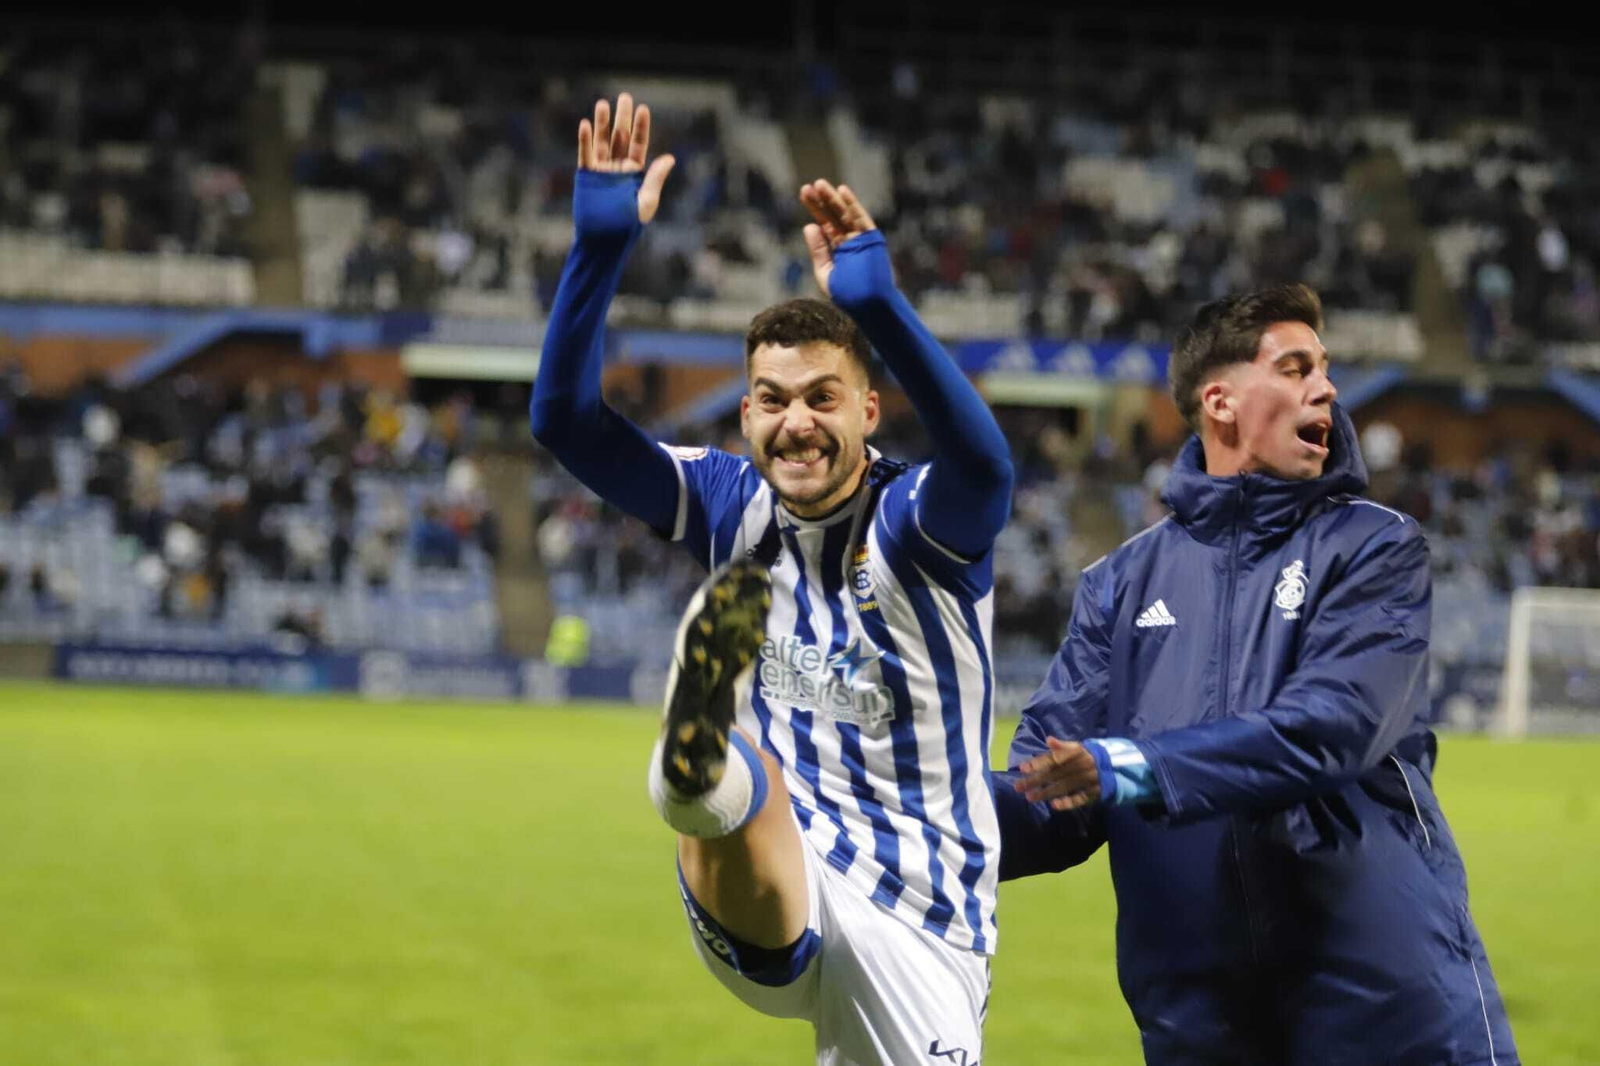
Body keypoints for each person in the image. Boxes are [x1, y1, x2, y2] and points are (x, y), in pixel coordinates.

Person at [529, 94, 1013, 1066]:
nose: (795, 422)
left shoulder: (915, 523)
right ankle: (698, 769)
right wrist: (596, 252)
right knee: (736, 789)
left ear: (870, 410)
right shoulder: (728, 502)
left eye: (821, 398)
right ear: (744, 414)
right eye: (770, 400)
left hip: (921, 919)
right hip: (771, 879)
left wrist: (881, 307)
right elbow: (565, 424)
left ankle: (704, 768)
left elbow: (987, 469)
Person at [1000, 284, 1519, 1064]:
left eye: (1325, 368)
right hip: (1202, 1025)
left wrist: (1135, 767)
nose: (1328, 388)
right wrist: (896, 820)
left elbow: (1330, 727)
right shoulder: (1120, 584)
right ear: (1221, 400)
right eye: (1296, 365)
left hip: (1379, 1005)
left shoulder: (1374, 548)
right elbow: (1048, 789)